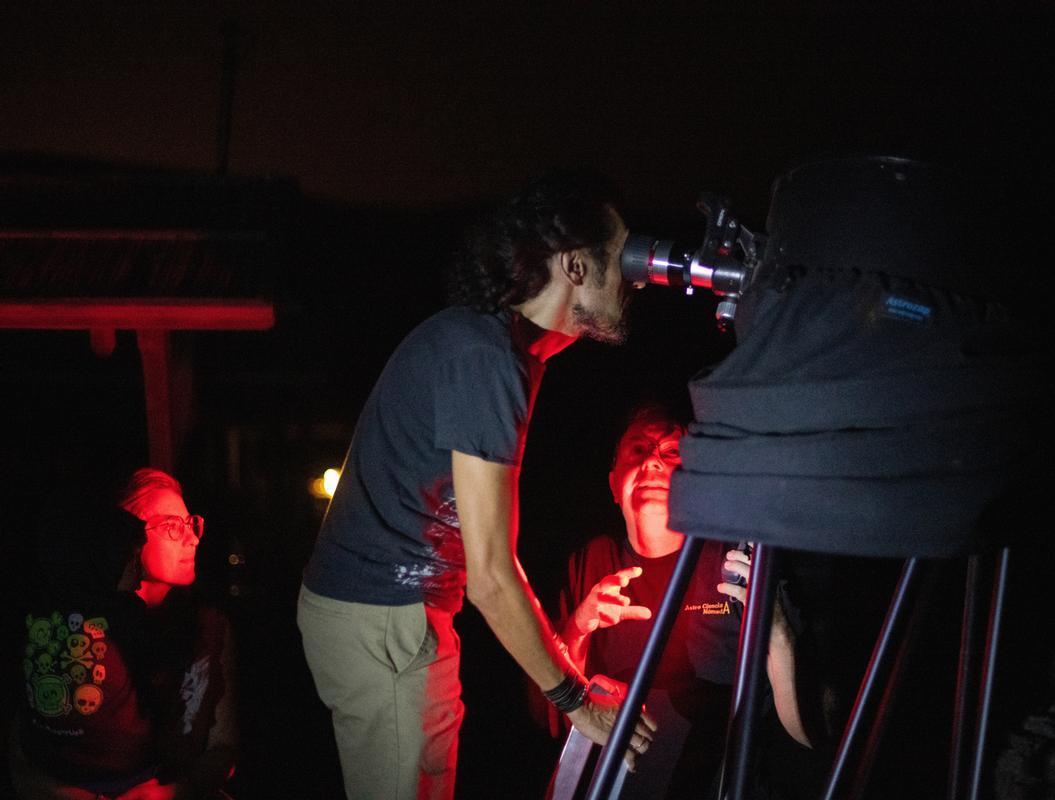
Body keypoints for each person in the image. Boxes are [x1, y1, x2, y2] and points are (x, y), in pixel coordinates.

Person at [297, 171, 655, 800]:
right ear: (574, 264)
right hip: (385, 622)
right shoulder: (487, 360)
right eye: (622, 256)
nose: (637, 275)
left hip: (386, 614)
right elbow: (492, 576)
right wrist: (576, 702)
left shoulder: (503, 347)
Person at [556, 404, 812, 799]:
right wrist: (578, 628)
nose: (653, 463)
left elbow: (806, 732)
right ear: (613, 485)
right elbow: (551, 717)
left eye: (671, 452)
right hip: (616, 784)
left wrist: (776, 632)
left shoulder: (739, 559)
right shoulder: (593, 562)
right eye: (638, 450)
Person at [9, 468, 238, 800]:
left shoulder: (208, 625)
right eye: (172, 527)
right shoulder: (74, 621)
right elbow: (27, 743)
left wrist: (168, 793)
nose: (193, 538)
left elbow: (224, 748)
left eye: (191, 524)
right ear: (122, 535)